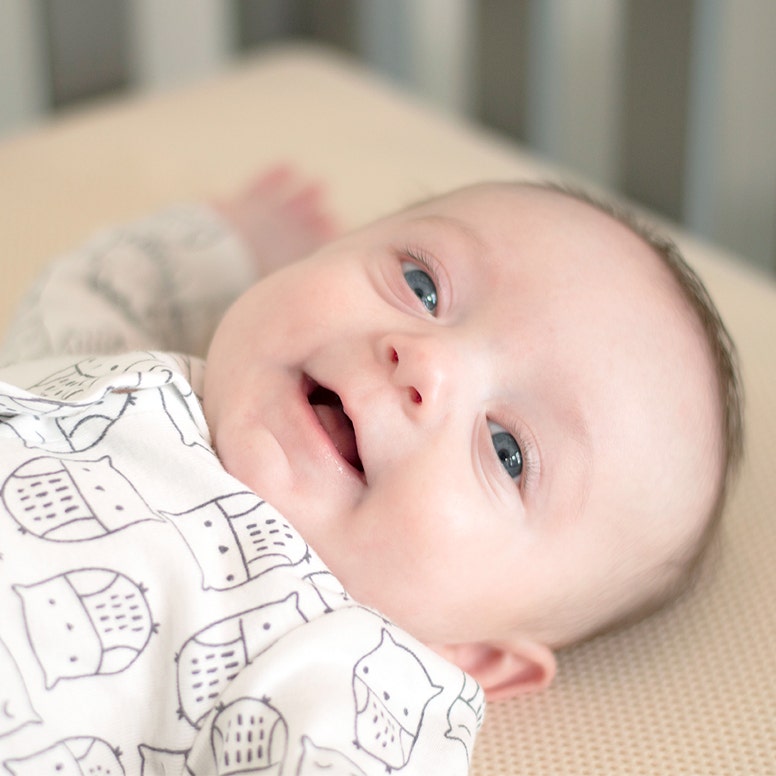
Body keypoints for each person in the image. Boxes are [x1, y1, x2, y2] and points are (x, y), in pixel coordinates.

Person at [0, 167, 742, 775]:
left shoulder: (343, 665)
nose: (427, 361)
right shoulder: (114, 361)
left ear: (473, 653)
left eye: (508, 450)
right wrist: (228, 240)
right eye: (422, 285)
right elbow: (93, 288)